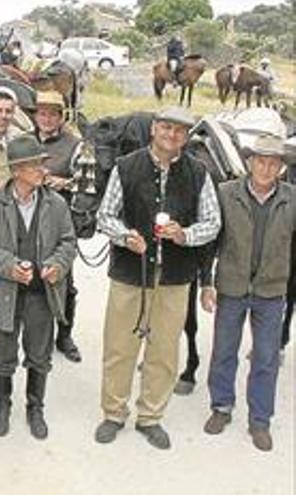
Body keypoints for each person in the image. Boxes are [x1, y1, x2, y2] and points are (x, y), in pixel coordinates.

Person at [94, 107, 221, 450]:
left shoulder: (198, 173)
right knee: (120, 347)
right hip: (130, 273)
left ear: (186, 137)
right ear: (154, 129)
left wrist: (185, 236)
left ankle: (150, 416)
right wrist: (125, 237)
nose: (172, 135)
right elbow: (105, 215)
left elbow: (212, 222)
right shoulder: (127, 166)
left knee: (164, 350)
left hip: (174, 277)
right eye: (166, 127)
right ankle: (114, 412)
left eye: (180, 131)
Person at [0, 135, 76, 441]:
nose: (43, 170)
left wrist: (57, 264)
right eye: (35, 165)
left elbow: (68, 241)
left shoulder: (56, 204)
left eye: (43, 164)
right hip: (4, 293)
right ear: (17, 171)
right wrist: (9, 267)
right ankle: (3, 406)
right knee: (2, 352)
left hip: (42, 293)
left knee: (40, 353)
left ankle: (35, 407)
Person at [202, 134, 296, 452]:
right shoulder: (226, 193)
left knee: (266, 357)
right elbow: (211, 240)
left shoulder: (292, 199)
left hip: (271, 291)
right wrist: (207, 281)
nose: (266, 168)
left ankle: (260, 420)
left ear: (281, 168)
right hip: (232, 286)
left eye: (273, 163)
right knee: (224, 350)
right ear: (249, 162)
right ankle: (221, 407)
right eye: (260, 161)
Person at [33, 91, 83, 363]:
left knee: (65, 280)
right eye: (42, 113)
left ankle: (64, 334)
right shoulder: (24, 141)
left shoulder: (75, 144)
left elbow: (87, 182)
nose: (47, 118)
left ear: (61, 117)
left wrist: (64, 183)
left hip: (60, 219)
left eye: (53, 113)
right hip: (26, 218)